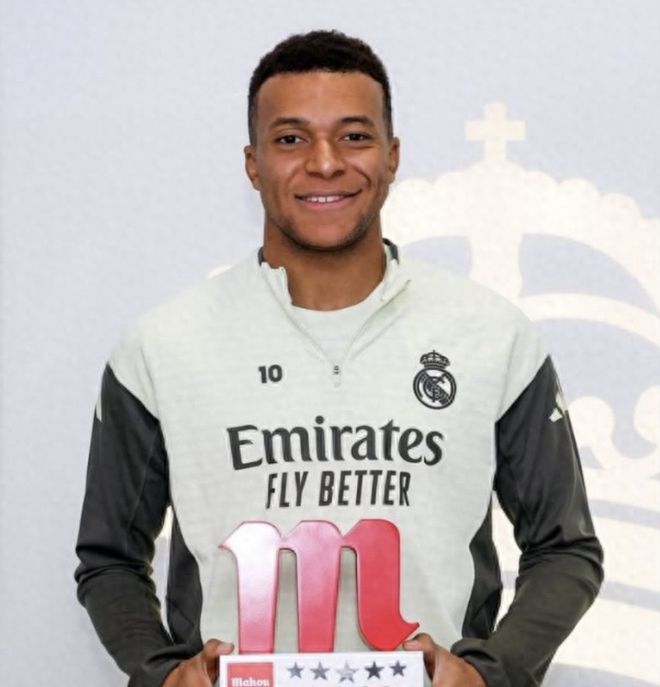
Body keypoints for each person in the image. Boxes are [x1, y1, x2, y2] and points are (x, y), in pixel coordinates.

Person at [75, 30, 603, 687]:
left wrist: (487, 673)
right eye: (290, 139)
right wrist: (161, 674)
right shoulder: (161, 347)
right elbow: (109, 558)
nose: (324, 163)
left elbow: (565, 549)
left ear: (392, 156)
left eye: (354, 136)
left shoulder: (493, 335)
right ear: (253, 163)